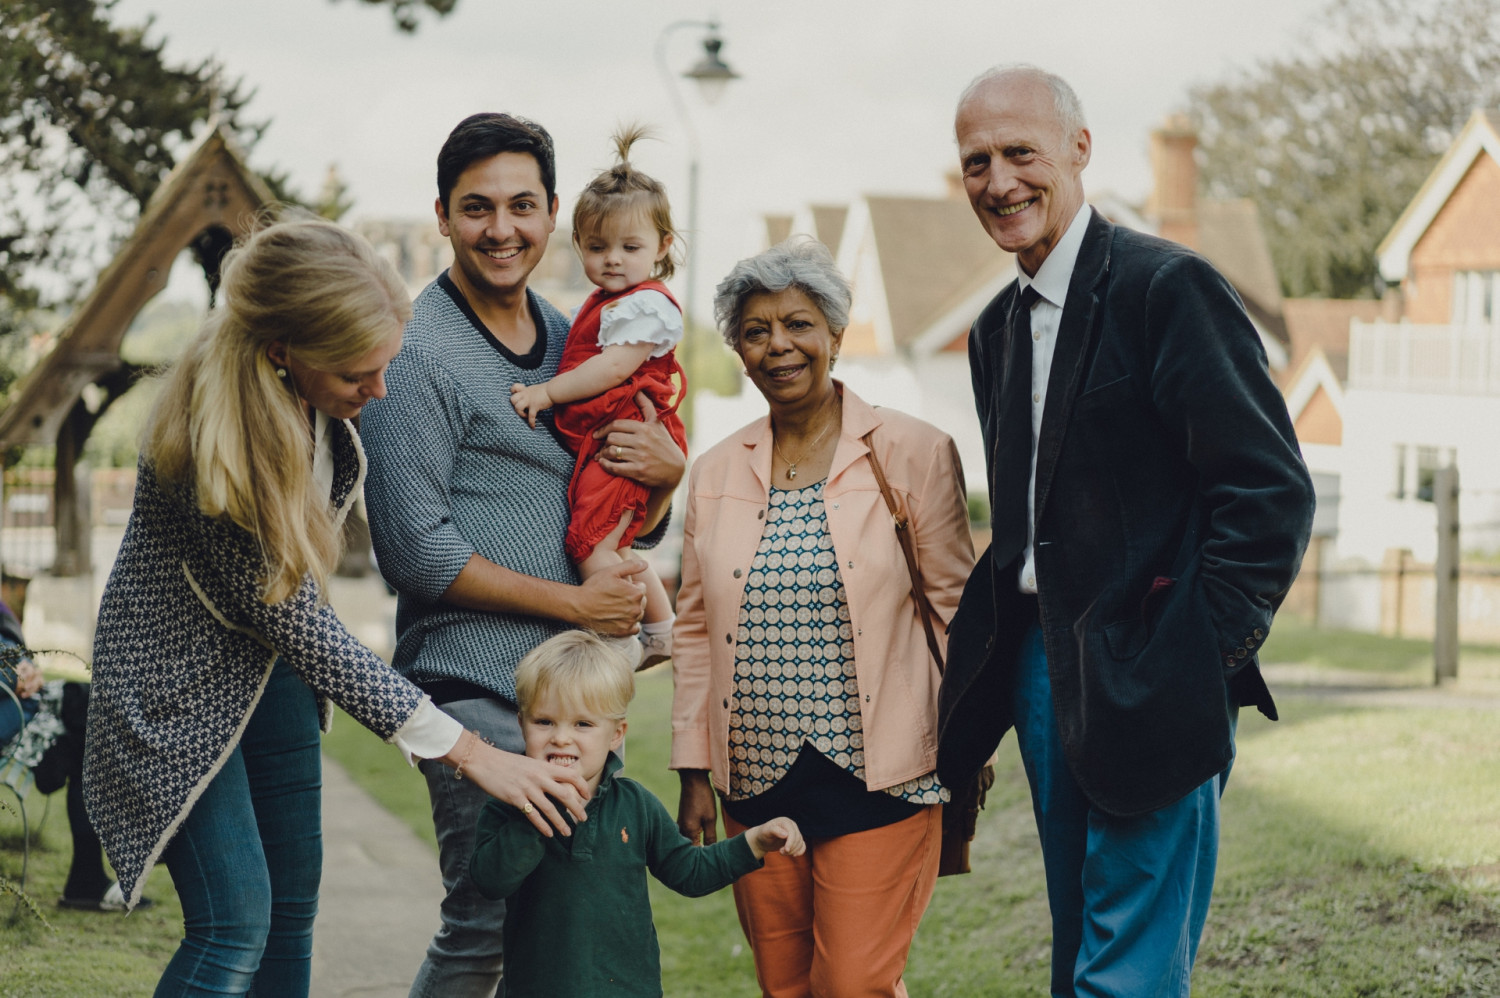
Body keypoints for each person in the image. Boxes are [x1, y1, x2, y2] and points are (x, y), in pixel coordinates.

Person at [81, 215, 591, 998]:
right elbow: (308, 629)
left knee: (291, 915)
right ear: (282, 351)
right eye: (359, 374)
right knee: (232, 927)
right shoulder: (209, 450)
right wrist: (473, 752)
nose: (379, 391)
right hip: (177, 696)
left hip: (273, 680)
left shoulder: (310, 394)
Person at [938, 65, 1315, 997]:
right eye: (975, 160)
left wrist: (1197, 650)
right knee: (1080, 949)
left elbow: (1268, 493)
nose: (998, 181)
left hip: (1159, 666)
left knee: (1131, 965)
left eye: (1020, 152)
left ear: (1078, 150)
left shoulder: (1168, 287)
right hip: (1040, 664)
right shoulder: (993, 332)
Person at [360, 112, 686, 998]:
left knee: (565, 932)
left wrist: (665, 478)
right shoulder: (416, 350)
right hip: (477, 686)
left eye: (521, 206)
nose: (501, 229)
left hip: (566, 697)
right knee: (486, 927)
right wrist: (577, 608)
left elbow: (619, 513)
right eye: (477, 208)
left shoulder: (573, 334)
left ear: (552, 215)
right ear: (441, 214)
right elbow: (417, 555)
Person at [671, 239, 975, 998]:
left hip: (886, 779)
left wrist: (968, 734)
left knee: (853, 988)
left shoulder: (911, 451)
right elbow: (695, 631)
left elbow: (956, 613)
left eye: (798, 324)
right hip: (754, 783)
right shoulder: (712, 474)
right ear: (738, 351)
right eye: (755, 330)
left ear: (835, 334)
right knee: (785, 987)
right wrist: (692, 771)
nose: (779, 346)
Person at [470, 630, 804, 997]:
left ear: (616, 734)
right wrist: (532, 809)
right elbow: (491, 881)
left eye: (582, 724)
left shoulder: (635, 805)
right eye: (544, 722)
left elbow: (689, 872)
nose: (561, 738)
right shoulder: (508, 805)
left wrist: (754, 841)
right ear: (521, 724)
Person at [509, 126, 688, 670]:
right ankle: (661, 630)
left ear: (661, 247)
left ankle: (626, 638)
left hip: (623, 438)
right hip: (609, 441)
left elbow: (610, 369)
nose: (612, 260)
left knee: (591, 548)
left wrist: (546, 391)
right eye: (596, 247)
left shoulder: (644, 309)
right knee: (613, 542)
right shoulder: (604, 305)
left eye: (630, 248)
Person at [0, 597, 130, 911]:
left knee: (92, 709)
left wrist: (23, 665)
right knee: (89, 715)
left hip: (22, 700)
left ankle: (91, 876)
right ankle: (94, 875)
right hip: (15, 707)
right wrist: (11, 671)